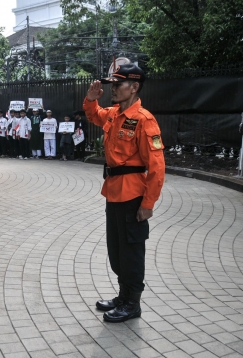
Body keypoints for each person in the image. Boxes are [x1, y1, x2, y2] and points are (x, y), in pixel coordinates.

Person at [84, 63, 165, 323]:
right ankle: (122, 296)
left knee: (131, 252)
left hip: (133, 195)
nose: (114, 89)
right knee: (116, 249)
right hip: (114, 191)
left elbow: (157, 167)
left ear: (134, 87)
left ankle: (132, 303)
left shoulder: (144, 120)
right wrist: (90, 99)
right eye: (113, 85)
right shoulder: (115, 114)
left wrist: (148, 203)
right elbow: (94, 114)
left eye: (118, 85)